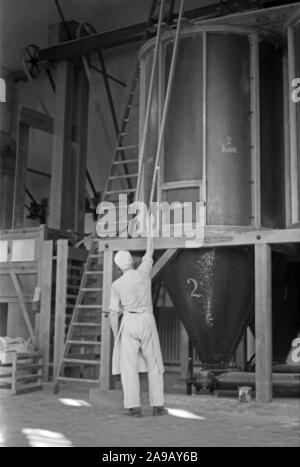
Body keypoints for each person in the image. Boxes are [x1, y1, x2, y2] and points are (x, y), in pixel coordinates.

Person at [109, 217, 165, 417]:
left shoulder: (116, 285)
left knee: (129, 366)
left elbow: (114, 314)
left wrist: (118, 335)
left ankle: (134, 407)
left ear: (118, 267)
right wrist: (151, 229)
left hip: (129, 322)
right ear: (132, 260)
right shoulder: (143, 273)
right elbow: (150, 251)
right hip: (147, 319)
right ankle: (158, 405)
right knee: (154, 363)